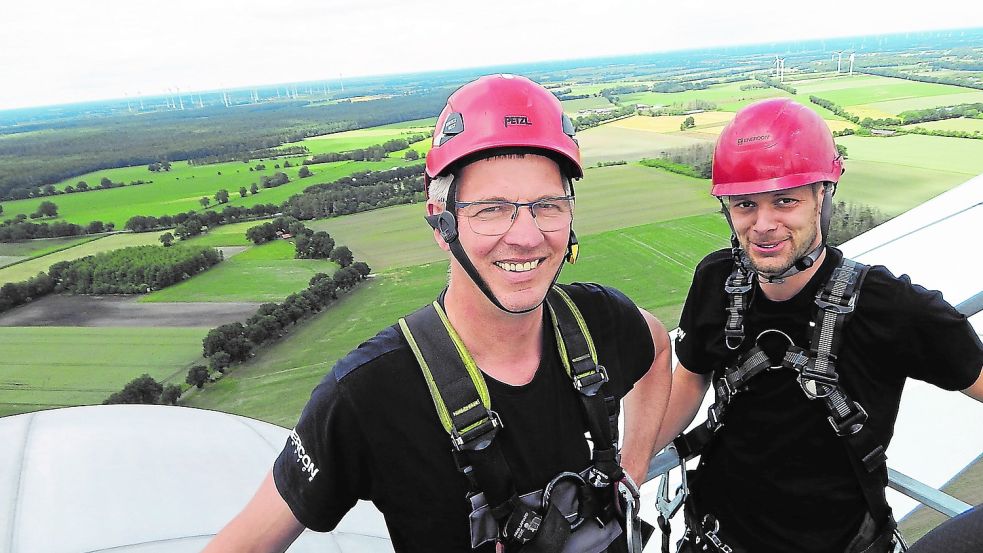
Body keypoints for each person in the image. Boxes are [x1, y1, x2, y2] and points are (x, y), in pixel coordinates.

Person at [205, 74, 672, 553]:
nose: (528, 236)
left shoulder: (597, 320)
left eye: (547, 205)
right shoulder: (369, 394)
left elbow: (658, 348)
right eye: (491, 209)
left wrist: (632, 472)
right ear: (440, 219)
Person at [653, 97, 983, 553]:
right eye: (745, 204)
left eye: (784, 200)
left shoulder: (890, 307)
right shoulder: (717, 280)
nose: (763, 224)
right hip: (716, 536)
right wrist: (629, 463)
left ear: (822, 196)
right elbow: (691, 377)